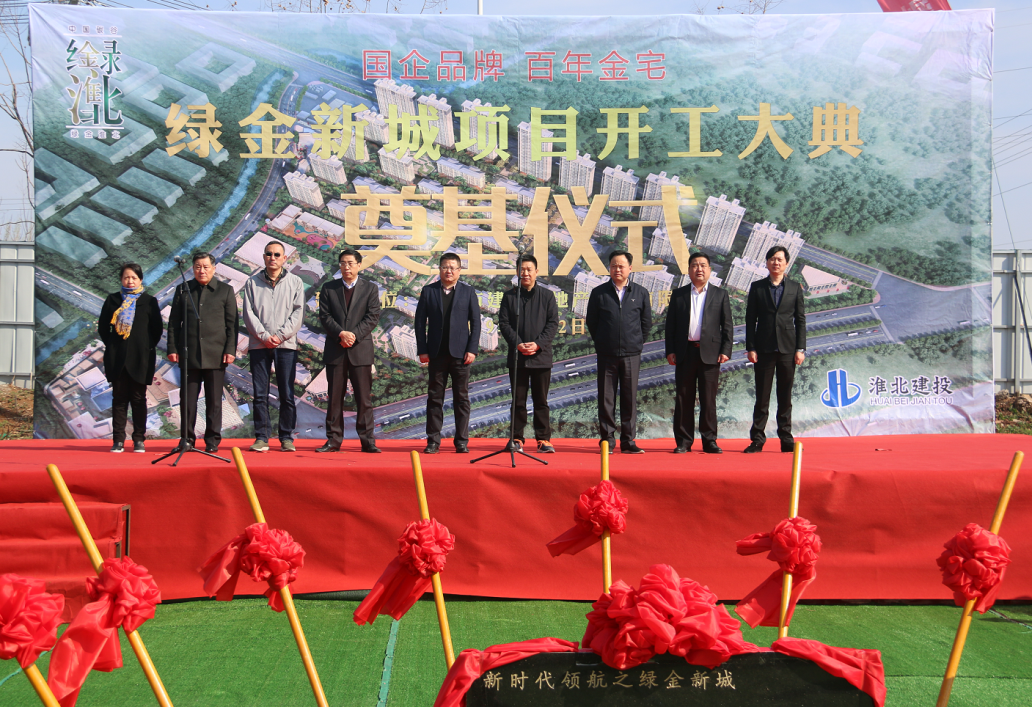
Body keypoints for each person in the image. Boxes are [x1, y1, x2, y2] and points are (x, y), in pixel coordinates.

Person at [167, 252, 238, 454]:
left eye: (206, 267)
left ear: (214, 268)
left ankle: (212, 440)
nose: (202, 270)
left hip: (216, 354)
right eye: (198, 267)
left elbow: (232, 325)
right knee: (188, 400)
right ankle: (186, 439)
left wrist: (230, 350)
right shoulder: (183, 289)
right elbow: (174, 323)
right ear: (193, 269)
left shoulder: (225, 290)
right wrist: (172, 348)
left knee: (214, 401)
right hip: (189, 355)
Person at [664, 252, 733, 454]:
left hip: (710, 354)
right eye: (695, 265)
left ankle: (709, 440)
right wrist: (670, 350)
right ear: (689, 270)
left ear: (709, 270)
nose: (699, 269)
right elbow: (670, 326)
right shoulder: (679, 295)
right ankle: (683, 441)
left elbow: (727, 326)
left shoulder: (720, 295)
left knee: (708, 400)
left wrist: (726, 350)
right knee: (684, 398)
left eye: (703, 265)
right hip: (685, 353)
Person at [586, 250, 652, 454]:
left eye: (621, 266)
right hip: (607, 354)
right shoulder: (599, 293)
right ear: (609, 268)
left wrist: (636, 343)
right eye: (613, 265)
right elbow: (592, 322)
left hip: (632, 354)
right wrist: (603, 342)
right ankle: (607, 440)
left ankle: (628, 441)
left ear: (630, 268)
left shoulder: (640, 293)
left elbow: (646, 323)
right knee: (606, 398)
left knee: (629, 397)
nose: (617, 269)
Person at [241, 240, 305, 453]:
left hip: (285, 345)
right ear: (264, 257)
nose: (273, 258)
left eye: (277, 255)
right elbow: (248, 313)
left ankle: (286, 437)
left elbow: (298, 313)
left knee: (287, 393)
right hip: (259, 345)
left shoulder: (295, 282)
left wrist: (279, 336)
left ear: (284, 258)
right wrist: (264, 337)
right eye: (269, 254)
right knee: (260, 393)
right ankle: (261, 437)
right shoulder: (252, 283)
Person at [317, 248, 382, 453]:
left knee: (364, 398)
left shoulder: (370, 288)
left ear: (359, 265)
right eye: (343, 263)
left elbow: (373, 316)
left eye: (350, 263)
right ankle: (333, 440)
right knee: (335, 398)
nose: (346, 267)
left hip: (360, 350)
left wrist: (353, 335)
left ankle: (368, 441)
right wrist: (341, 334)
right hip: (336, 350)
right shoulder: (329, 288)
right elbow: (325, 316)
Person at [415, 252, 481, 454]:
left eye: (453, 268)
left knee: (462, 399)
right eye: (445, 267)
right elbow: (419, 322)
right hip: (436, 354)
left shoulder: (468, 292)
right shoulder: (429, 291)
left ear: (459, 271)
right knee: (435, 398)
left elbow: (476, 323)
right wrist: (422, 349)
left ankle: (461, 441)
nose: (449, 271)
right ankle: (433, 441)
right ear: (440, 269)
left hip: (461, 355)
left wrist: (472, 349)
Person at [744, 245, 806, 453]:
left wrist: (800, 348)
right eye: (772, 259)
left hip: (788, 349)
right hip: (763, 349)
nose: (776, 262)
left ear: (786, 263)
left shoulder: (795, 288)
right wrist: (751, 347)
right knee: (762, 396)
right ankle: (757, 439)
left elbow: (800, 320)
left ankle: (786, 438)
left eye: (780, 259)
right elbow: (750, 319)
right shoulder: (757, 287)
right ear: (767, 262)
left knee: (785, 396)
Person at [98, 263, 163, 453]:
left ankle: (139, 439)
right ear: (121, 279)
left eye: (134, 277)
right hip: (117, 358)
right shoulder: (113, 300)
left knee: (138, 399)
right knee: (119, 400)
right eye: (126, 277)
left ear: (140, 279)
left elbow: (157, 330)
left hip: (141, 359)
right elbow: (103, 328)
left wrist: (144, 347)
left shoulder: (149, 301)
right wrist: (114, 345)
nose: (130, 281)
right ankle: (118, 440)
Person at [498, 254, 559, 454]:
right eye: (522, 269)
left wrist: (538, 344)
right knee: (518, 401)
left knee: (541, 401)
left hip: (541, 357)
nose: (525, 273)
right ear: (517, 272)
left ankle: (543, 440)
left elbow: (552, 324)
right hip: (518, 357)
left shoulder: (547, 296)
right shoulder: (509, 297)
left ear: (536, 272)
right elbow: (504, 324)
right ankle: (516, 438)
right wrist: (518, 343)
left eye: (529, 269)